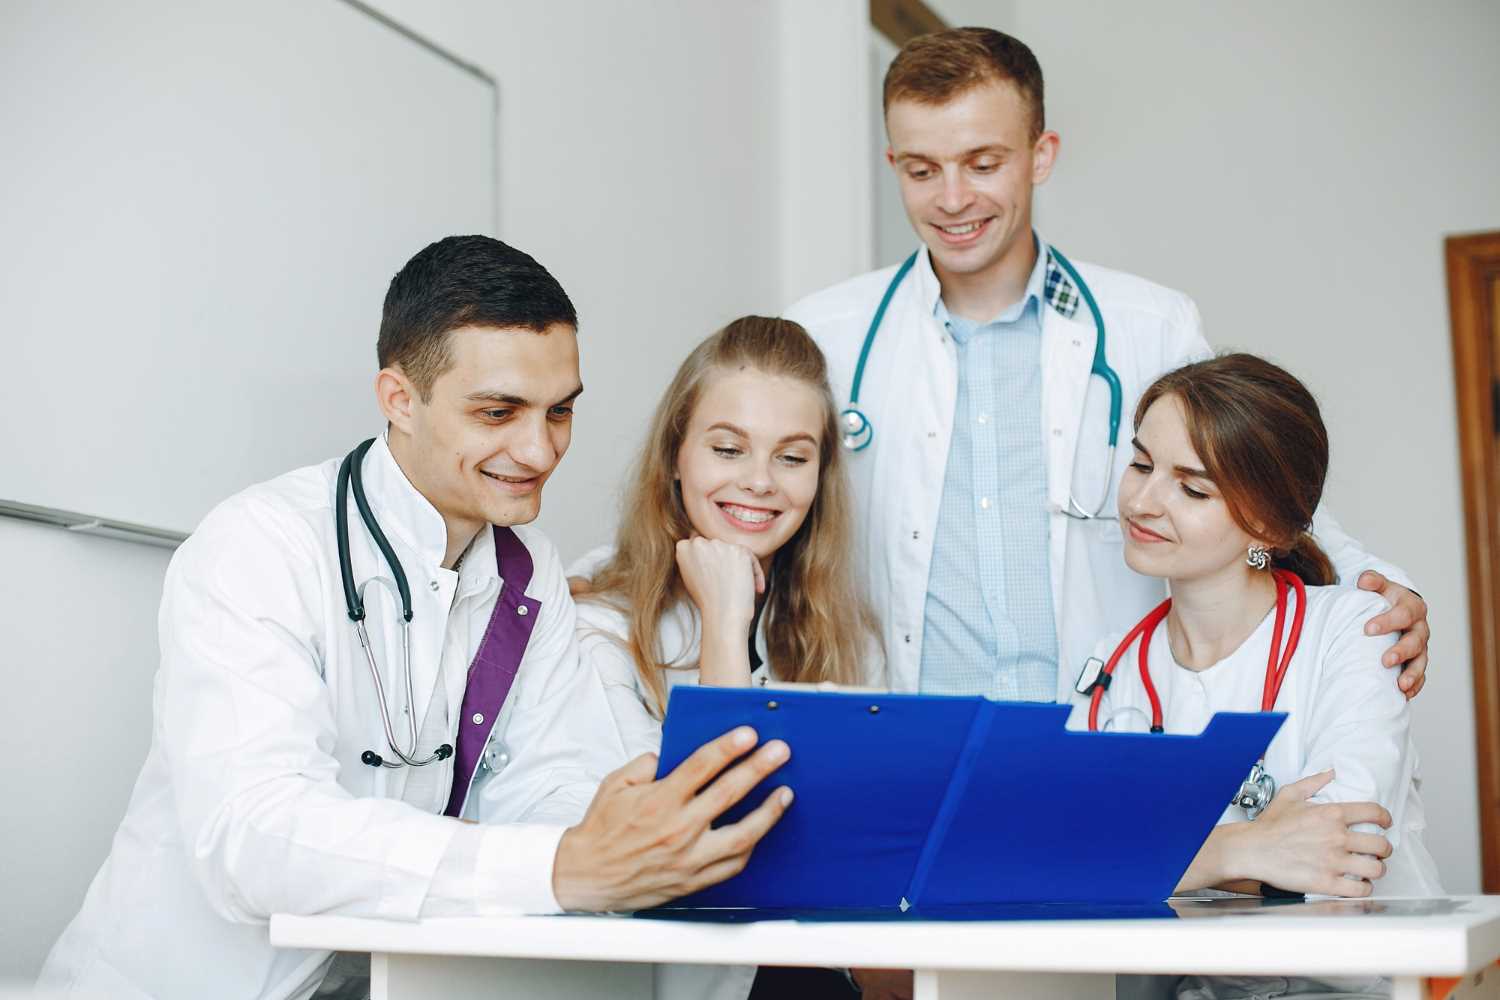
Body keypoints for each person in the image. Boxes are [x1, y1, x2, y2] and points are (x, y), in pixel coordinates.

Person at [37, 236, 793, 1000]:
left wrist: (594, 836)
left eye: (560, 411)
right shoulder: (261, 546)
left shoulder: (528, 575)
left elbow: (555, 790)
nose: (539, 451)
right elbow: (253, 838)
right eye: (498, 412)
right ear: (399, 399)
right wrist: (558, 863)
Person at [783, 27, 1431, 707]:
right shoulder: (827, 334)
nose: (951, 199)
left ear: (1041, 155)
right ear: (893, 164)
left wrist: (1376, 582)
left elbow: (1254, 482)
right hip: (909, 733)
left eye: (983, 164)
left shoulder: (1149, 324)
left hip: (1100, 724)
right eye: (921, 170)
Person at [1076, 354, 1441, 998]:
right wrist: (1238, 851)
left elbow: (1340, 858)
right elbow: (1065, 864)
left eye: (1192, 489)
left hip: (1362, 988)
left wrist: (1153, 862)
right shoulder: (1113, 669)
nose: (1143, 502)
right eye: (1141, 464)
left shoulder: (1353, 631)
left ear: (1267, 525)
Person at [573, 316, 881, 1000]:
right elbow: (701, 838)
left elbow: (864, 843)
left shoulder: (841, 631)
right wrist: (722, 618)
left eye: (792, 458)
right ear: (675, 455)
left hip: (817, 973)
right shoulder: (595, 629)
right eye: (728, 449)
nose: (760, 481)